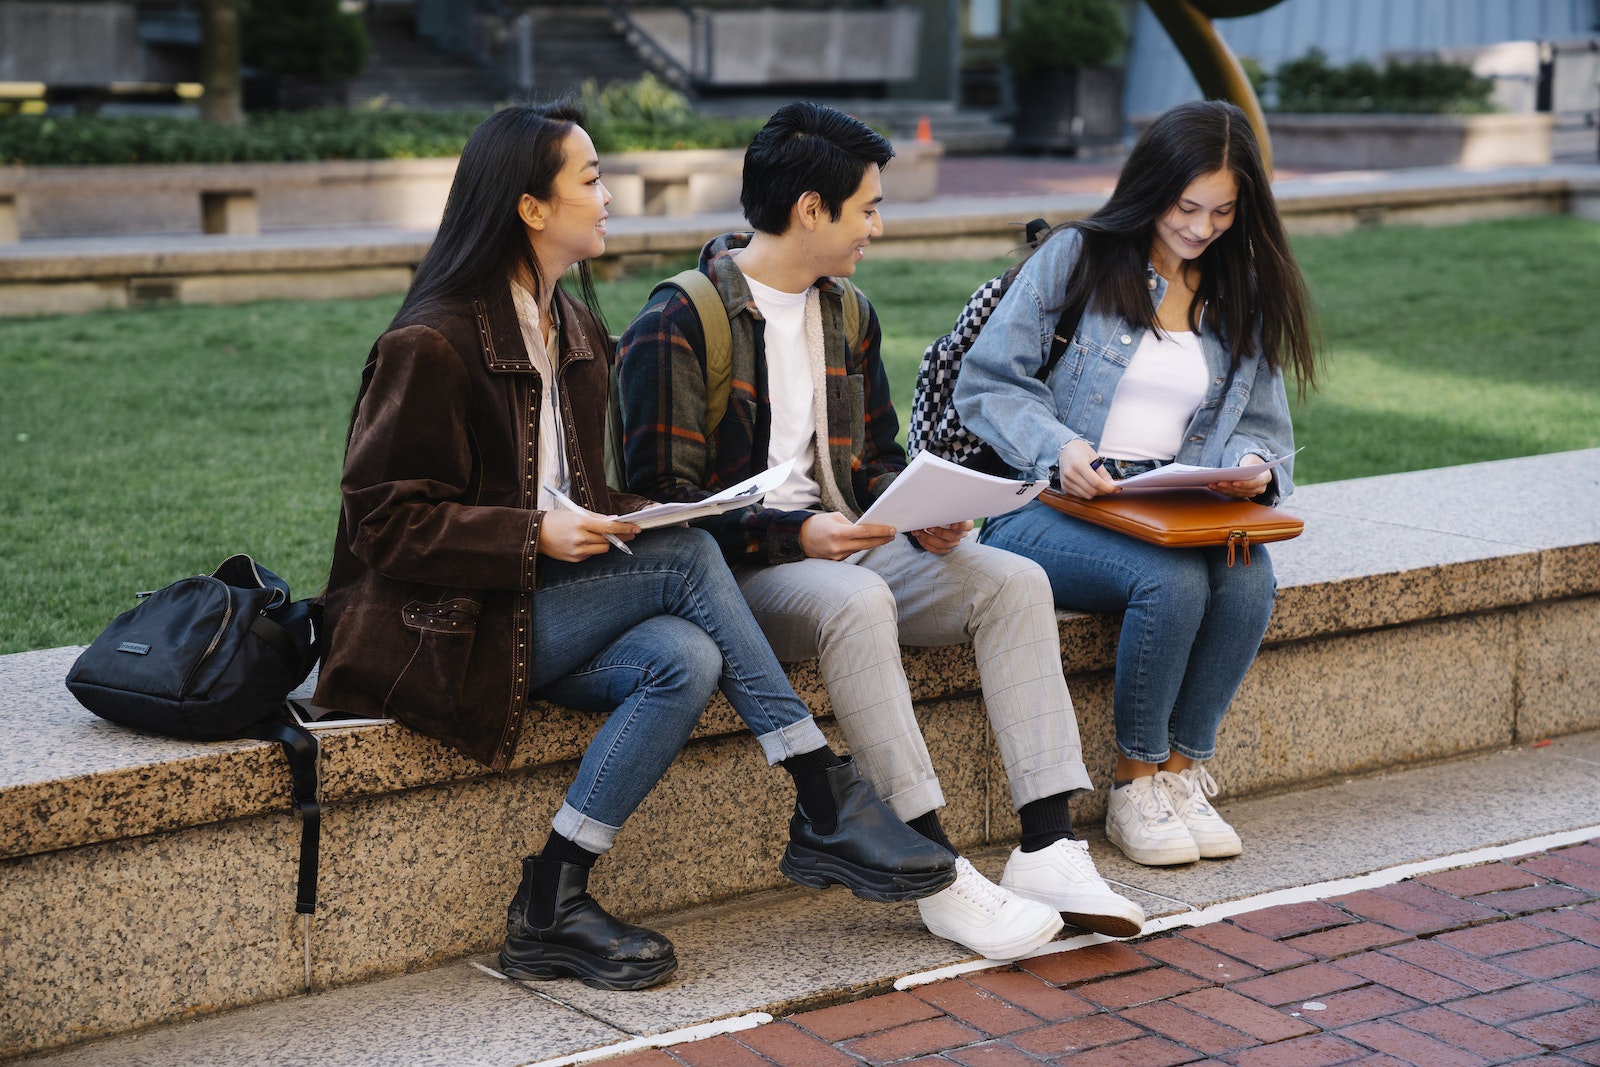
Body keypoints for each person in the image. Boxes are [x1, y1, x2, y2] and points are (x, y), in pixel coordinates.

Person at [313, 102, 956, 993]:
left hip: (539, 608)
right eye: (590, 179)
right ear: (532, 208)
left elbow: (580, 487)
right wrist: (535, 531)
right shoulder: (433, 339)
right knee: (692, 557)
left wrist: (628, 516)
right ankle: (819, 789)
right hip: (449, 629)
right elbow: (382, 521)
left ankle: (552, 893)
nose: (609, 196)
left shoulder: (572, 328)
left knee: (685, 657)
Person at [617, 100, 1145, 963]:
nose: (878, 224)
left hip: (844, 547)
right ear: (809, 209)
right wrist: (800, 535)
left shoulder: (848, 313)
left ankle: (1047, 847)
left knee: (1012, 580)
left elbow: (871, 461)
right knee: (856, 597)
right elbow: (664, 508)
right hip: (741, 573)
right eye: (867, 206)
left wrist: (918, 505)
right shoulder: (682, 320)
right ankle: (930, 866)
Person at [951, 99, 1321, 867]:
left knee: (1250, 576)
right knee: (1174, 583)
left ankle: (1182, 772)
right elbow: (986, 383)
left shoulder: (1239, 288)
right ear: (1152, 186)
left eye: (1222, 211)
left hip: (1172, 502)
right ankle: (1133, 782)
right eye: (1186, 206)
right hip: (1046, 500)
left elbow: (1266, 427)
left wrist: (1253, 467)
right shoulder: (1079, 257)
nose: (1200, 226)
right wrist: (1059, 447)